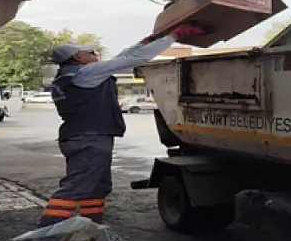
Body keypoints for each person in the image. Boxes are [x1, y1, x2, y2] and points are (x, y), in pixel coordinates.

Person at [38, 24, 206, 226]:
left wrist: (146, 41)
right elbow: (130, 60)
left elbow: (120, 60)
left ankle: (90, 231)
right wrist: (172, 37)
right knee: (77, 188)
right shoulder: (86, 73)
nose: (96, 54)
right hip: (90, 139)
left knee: (97, 188)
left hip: (83, 137)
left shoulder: (71, 76)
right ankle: (46, 236)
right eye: (91, 52)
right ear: (78, 58)